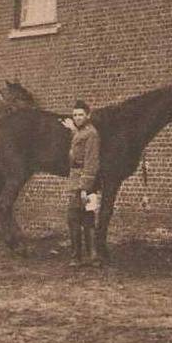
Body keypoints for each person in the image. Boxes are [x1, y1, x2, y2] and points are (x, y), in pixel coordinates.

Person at [64, 100, 100, 267]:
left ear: (88, 116)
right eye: (75, 115)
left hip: (85, 181)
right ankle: (90, 256)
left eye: (80, 115)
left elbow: (91, 161)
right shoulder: (81, 132)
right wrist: (73, 130)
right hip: (75, 179)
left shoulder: (91, 134)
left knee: (77, 218)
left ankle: (78, 257)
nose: (77, 118)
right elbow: (78, 144)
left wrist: (85, 188)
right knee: (84, 217)